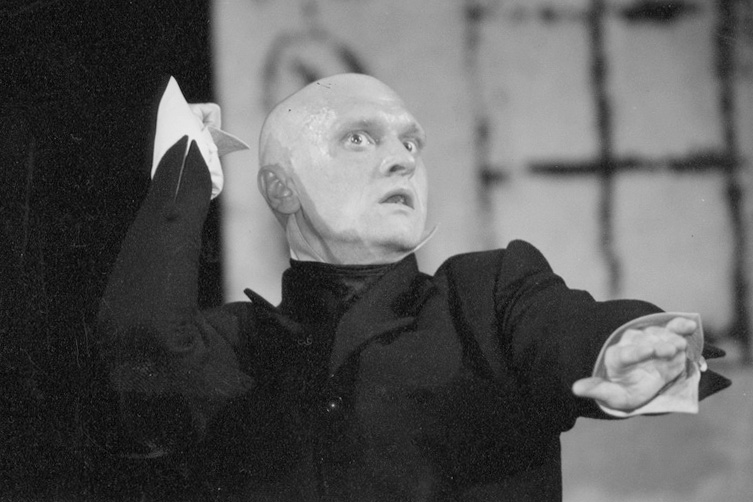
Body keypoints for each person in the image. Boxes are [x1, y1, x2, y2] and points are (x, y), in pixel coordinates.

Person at [97, 73, 730, 501]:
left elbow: (564, 328)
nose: (403, 158)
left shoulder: (484, 295)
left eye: (410, 143)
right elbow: (140, 340)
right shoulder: (236, 345)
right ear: (281, 188)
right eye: (358, 139)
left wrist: (618, 346)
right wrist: (185, 172)